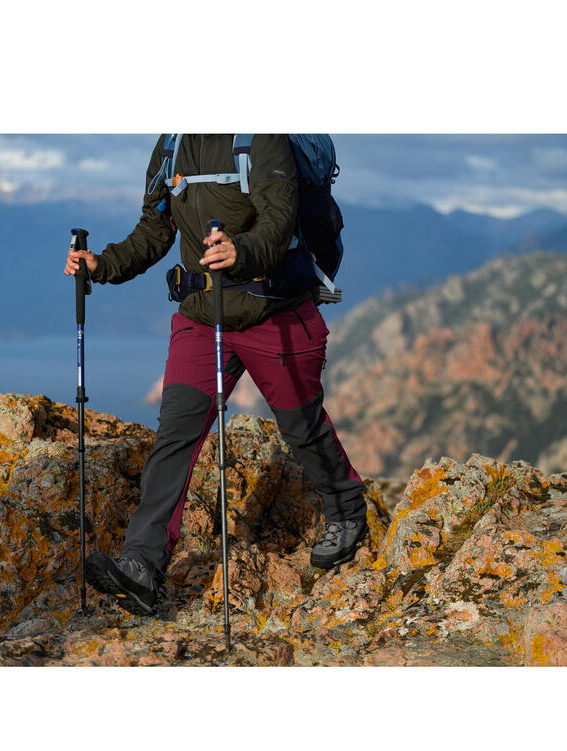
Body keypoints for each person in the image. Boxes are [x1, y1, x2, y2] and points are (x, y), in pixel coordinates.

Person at [64, 134, 368, 616]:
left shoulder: (262, 137)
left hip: (275, 311)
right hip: (204, 315)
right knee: (175, 433)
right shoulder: (171, 145)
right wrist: (103, 265)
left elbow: (278, 221)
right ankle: (142, 565)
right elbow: (154, 230)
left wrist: (239, 252)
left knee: (301, 425)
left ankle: (347, 511)